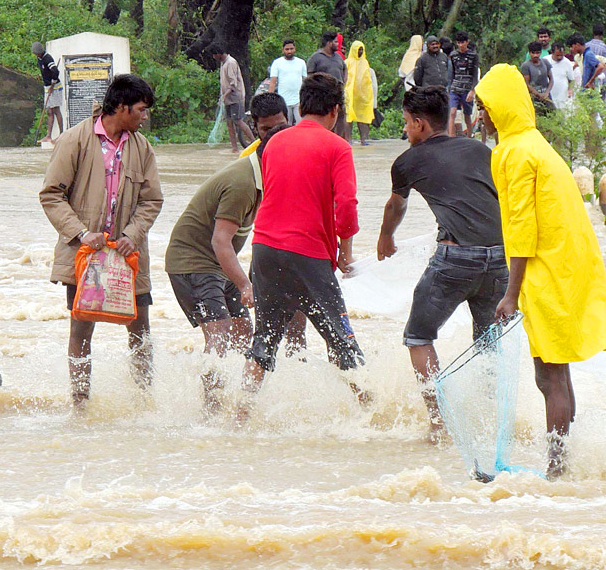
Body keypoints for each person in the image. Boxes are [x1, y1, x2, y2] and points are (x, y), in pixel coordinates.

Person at [475, 64, 606, 478]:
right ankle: (562, 465)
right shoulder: (536, 144)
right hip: (569, 267)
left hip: (547, 273)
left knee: (549, 376)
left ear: (503, 108)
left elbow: (521, 231)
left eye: (486, 108)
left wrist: (510, 295)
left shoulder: (513, 153)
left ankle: (555, 470)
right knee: (555, 372)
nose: (483, 116)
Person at [376, 86, 506, 439]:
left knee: (418, 336)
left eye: (406, 123)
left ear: (419, 124)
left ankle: (439, 424)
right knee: (489, 342)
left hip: (455, 260)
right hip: (500, 258)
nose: (405, 131)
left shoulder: (406, 162)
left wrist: (385, 237)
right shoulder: (481, 150)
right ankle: (490, 421)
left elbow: (396, 206)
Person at [39, 74, 163, 407]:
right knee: (81, 329)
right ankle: (80, 402)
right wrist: (81, 232)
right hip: (85, 253)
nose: (144, 116)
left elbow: (153, 200)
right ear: (121, 107)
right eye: (141, 109)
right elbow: (51, 195)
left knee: (141, 330)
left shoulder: (141, 147)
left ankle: (143, 400)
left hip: (127, 253)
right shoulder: (74, 140)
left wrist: (131, 235)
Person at [242, 73, 365, 396]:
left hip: (265, 249)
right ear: (336, 111)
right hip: (308, 254)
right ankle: (372, 415)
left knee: (264, 341)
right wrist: (345, 250)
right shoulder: (338, 147)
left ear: (301, 106)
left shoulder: (274, 143)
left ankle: (239, 417)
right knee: (341, 339)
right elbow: (347, 205)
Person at [166, 93, 289, 404]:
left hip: (218, 264)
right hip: (193, 262)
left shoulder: (266, 174)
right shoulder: (242, 183)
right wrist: (245, 284)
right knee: (219, 333)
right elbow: (220, 241)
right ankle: (210, 410)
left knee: (242, 332)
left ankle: (238, 401)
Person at [213, 45, 254, 153]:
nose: (213, 57)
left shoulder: (230, 63)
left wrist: (224, 96)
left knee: (238, 121)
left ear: (218, 54)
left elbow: (233, 84)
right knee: (229, 122)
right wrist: (223, 97)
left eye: (214, 55)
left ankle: (254, 143)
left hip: (236, 98)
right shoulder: (223, 63)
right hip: (227, 99)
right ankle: (234, 149)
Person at [307, 31, 348, 138]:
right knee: (326, 118)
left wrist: (343, 82)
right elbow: (310, 75)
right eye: (335, 42)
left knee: (340, 117)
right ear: (329, 43)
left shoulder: (338, 57)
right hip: (323, 95)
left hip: (338, 93)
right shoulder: (316, 58)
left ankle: (340, 139)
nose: (338, 45)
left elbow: (345, 69)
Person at [344, 40, 377, 146]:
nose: (360, 52)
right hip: (350, 94)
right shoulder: (347, 63)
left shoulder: (365, 63)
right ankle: (348, 139)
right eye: (358, 49)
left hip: (363, 96)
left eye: (362, 49)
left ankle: (364, 139)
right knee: (349, 117)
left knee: (363, 118)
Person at [448, 31, 480, 136]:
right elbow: (451, 73)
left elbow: (475, 74)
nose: (461, 45)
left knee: (467, 115)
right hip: (455, 88)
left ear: (467, 42)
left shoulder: (473, 56)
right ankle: (451, 139)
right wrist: (450, 88)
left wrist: (472, 90)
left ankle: (470, 136)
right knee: (452, 112)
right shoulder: (453, 55)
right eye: (458, 43)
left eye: (463, 42)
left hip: (467, 89)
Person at [268, 39, 308, 124]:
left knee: (301, 123)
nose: (289, 51)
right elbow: (273, 82)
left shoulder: (301, 62)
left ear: (295, 49)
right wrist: (269, 99)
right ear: (283, 50)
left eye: (291, 49)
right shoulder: (277, 63)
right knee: (286, 124)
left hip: (298, 100)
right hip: (284, 100)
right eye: (287, 49)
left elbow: (305, 81)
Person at [33, 41, 64, 142]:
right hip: (47, 87)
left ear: (41, 52)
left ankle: (61, 134)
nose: (36, 55)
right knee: (49, 111)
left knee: (56, 110)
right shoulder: (39, 58)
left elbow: (55, 71)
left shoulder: (48, 58)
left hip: (55, 87)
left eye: (37, 53)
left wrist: (52, 83)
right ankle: (48, 135)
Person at [547, 43, 576, 111]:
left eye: (561, 55)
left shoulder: (567, 62)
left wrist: (570, 89)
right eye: (557, 55)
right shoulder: (546, 61)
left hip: (562, 94)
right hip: (549, 93)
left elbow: (571, 79)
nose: (560, 57)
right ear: (552, 52)